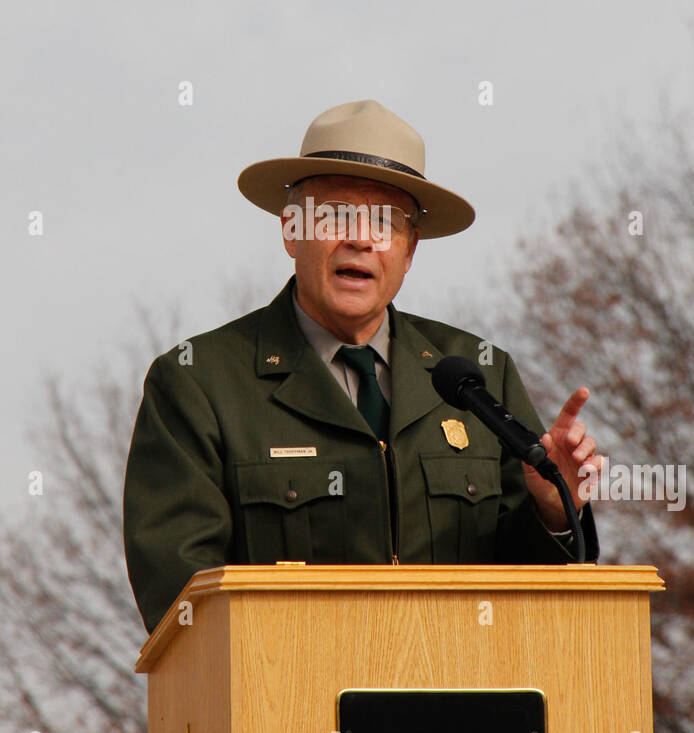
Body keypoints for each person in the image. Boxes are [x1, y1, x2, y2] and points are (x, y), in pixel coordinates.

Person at [123, 99, 601, 633]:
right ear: (291, 231)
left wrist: (552, 508)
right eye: (335, 216)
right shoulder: (199, 383)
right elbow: (182, 604)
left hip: (464, 707)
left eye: (385, 222)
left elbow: (538, 604)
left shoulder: (479, 376)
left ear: (409, 248)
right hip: (285, 707)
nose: (360, 238)